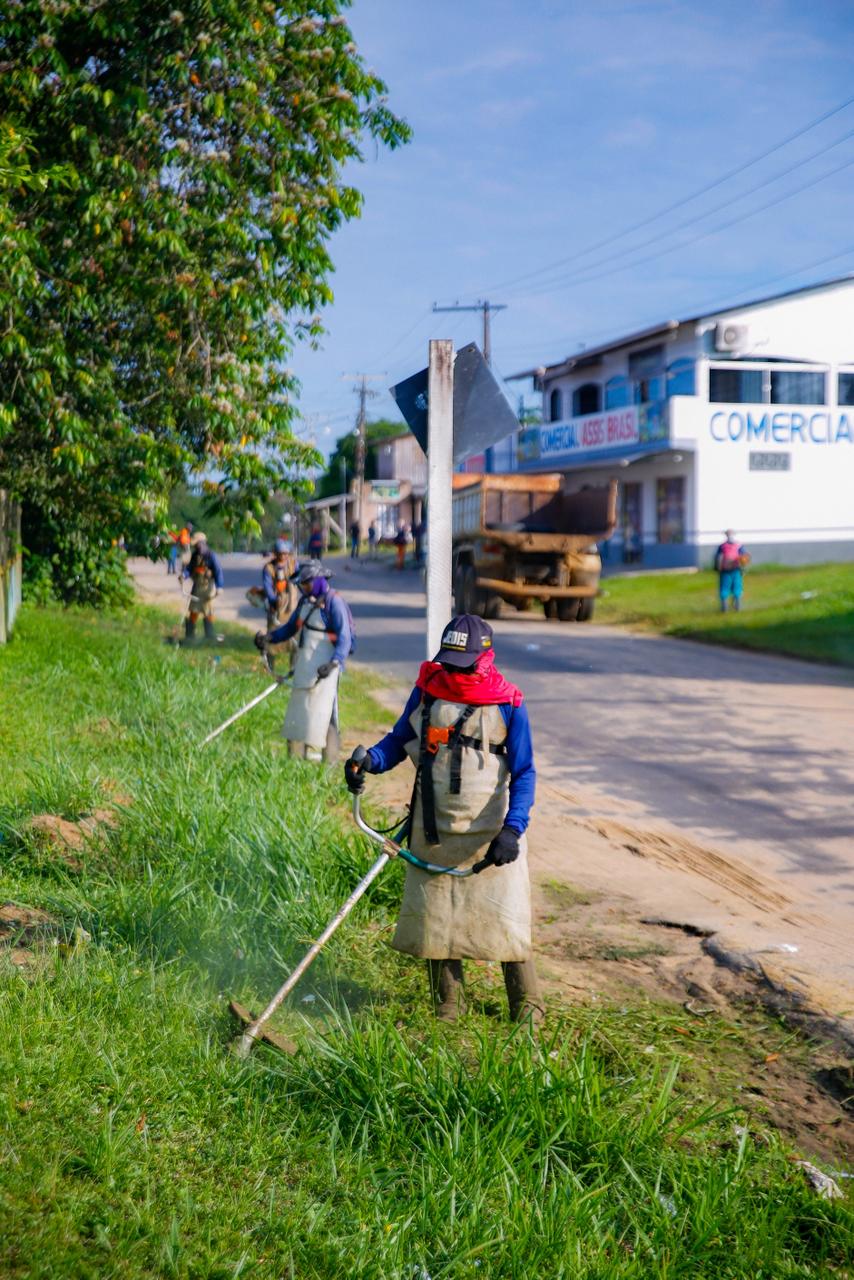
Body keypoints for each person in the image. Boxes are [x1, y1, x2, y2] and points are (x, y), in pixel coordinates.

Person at [344, 614, 542, 1025]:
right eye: (449, 662)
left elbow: (524, 773)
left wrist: (513, 829)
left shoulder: (509, 703)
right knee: (437, 920)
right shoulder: (427, 690)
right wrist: (369, 762)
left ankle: (528, 1010)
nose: (453, 672)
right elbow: (398, 741)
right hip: (433, 829)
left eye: (463, 664)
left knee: (506, 918)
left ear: (484, 658)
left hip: (490, 834)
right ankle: (449, 1006)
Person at [256, 561, 352, 762]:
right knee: (299, 711)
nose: (304, 587)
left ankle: (329, 762)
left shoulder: (334, 603)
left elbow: (345, 638)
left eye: (307, 583)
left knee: (326, 714)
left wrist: (334, 663)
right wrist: (269, 638)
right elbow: (290, 628)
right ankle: (294, 759)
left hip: (327, 668)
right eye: (302, 584)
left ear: (318, 580)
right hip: (304, 667)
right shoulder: (305, 603)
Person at [182, 531, 224, 642]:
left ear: (203, 543)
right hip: (197, 587)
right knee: (193, 610)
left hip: (207, 588)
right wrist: (184, 575)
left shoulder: (211, 556)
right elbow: (189, 568)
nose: (196, 547)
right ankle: (190, 635)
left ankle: (209, 635)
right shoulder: (195, 555)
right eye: (195, 545)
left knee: (207, 611)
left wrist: (219, 586)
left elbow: (218, 571)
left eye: (197, 544)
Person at [262, 538, 297, 630]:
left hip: (292, 600)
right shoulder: (269, 568)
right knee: (274, 628)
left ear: (289, 554)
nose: (282, 556)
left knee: (293, 627)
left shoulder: (293, 564)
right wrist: (273, 600)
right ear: (275, 554)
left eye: (285, 554)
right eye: (280, 553)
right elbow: (267, 586)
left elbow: (300, 579)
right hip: (276, 600)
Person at [714, 529, 750, 612]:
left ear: (726, 535)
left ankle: (724, 607)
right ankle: (737, 606)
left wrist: (717, 569)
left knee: (724, 588)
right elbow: (744, 558)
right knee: (737, 587)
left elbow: (717, 558)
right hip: (736, 570)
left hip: (724, 571)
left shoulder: (722, 546)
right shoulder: (739, 546)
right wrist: (743, 568)